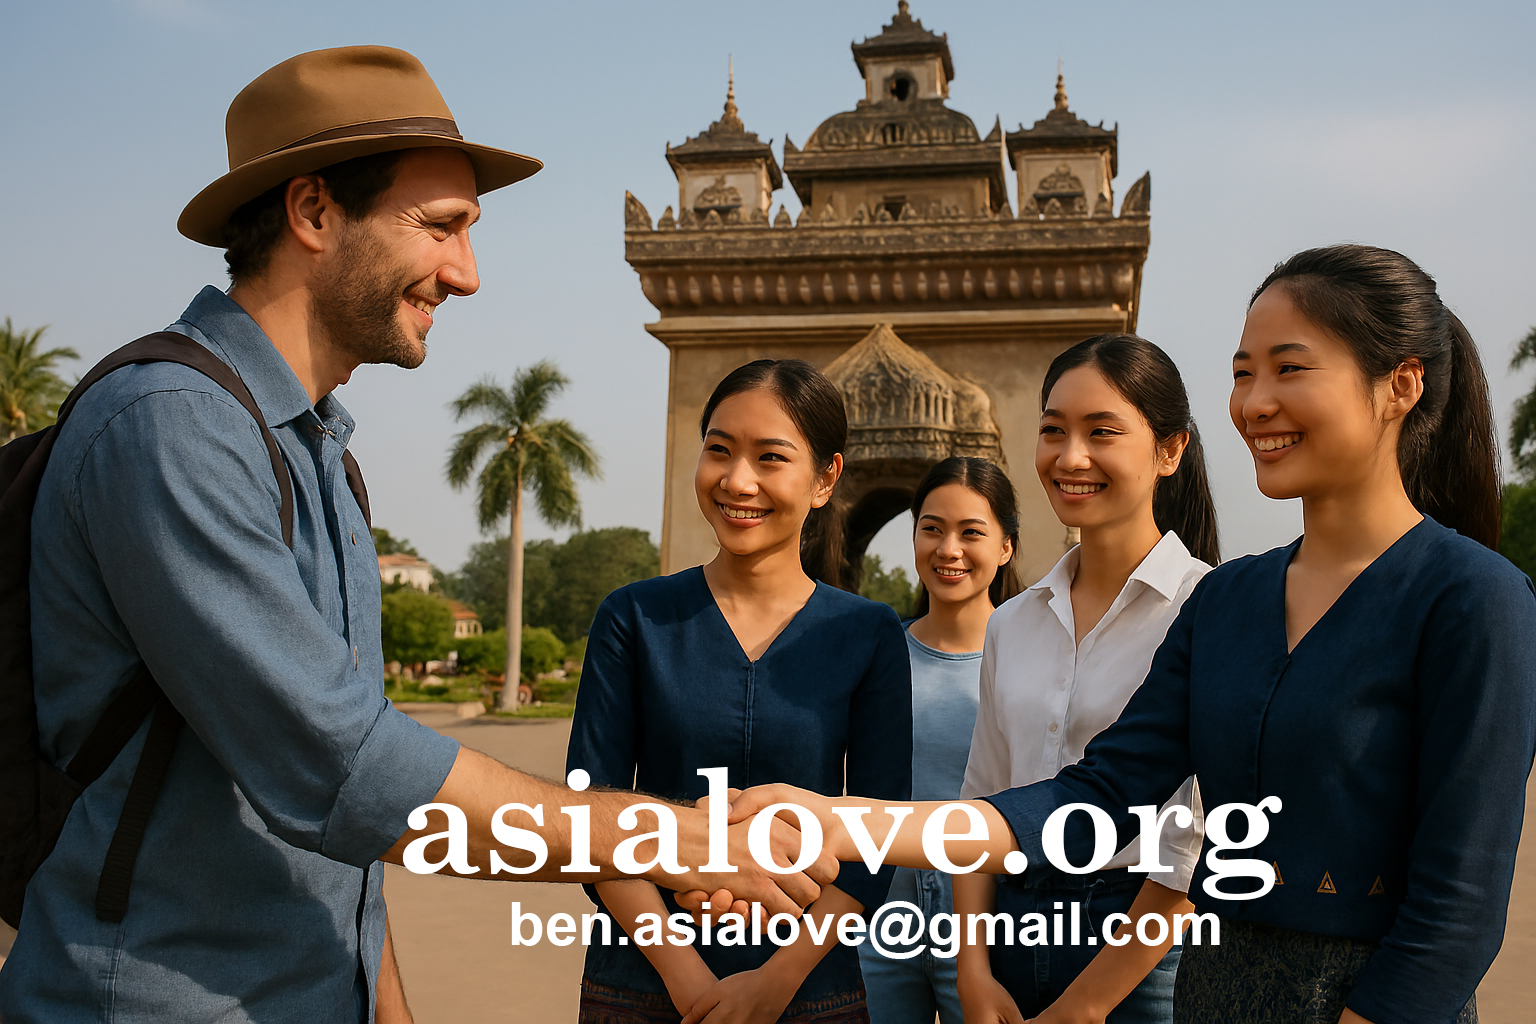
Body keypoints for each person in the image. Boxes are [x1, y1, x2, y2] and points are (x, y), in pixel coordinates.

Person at [1, 47, 830, 1024]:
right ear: (312, 213)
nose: (467, 275)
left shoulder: (324, 458)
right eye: (442, 228)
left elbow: (347, 827)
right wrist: (674, 838)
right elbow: (347, 767)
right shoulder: (168, 424)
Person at [719, 245, 1536, 1024]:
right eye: (1243, 374)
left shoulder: (1475, 599)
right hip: (1216, 991)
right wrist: (847, 821)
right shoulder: (1231, 601)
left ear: (1401, 385)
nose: (1254, 403)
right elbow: (1098, 793)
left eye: (1290, 368)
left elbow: (1456, 912)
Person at [567, 359, 912, 1024]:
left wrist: (774, 983)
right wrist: (688, 978)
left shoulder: (867, 634)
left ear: (824, 479)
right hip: (642, 983)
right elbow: (591, 820)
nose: (738, 480)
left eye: (770, 457)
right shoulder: (634, 618)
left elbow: (879, 835)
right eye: (719, 450)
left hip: (811, 988)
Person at [955, 335, 1216, 1024]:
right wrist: (974, 973)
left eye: (1102, 432)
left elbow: (1191, 843)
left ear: (1170, 450)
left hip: (1141, 949)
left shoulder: (1211, 610)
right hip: (1008, 933)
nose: (1071, 458)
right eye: (1053, 431)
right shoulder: (1011, 622)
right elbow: (983, 795)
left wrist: (1087, 1005)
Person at [857, 456, 1020, 1024]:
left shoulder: (1035, 664)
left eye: (971, 532)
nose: (948, 550)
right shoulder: (876, 659)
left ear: (1006, 547)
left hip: (997, 931)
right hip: (878, 922)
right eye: (932, 529)